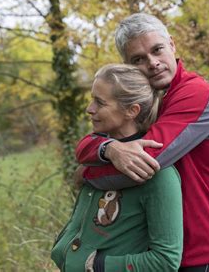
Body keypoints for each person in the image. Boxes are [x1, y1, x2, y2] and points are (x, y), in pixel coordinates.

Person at [76, 13, 209, 271]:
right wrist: (109, 148)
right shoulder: (140, 104)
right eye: (138, 59)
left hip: (198, 254)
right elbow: (87, 143)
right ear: (127, 66)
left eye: (157, 50)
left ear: (172, 45)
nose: (153, 63)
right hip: (147, 253)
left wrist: (87, 172)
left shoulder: (196, 93)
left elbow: (145, 163)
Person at [51, 64, 183, 271]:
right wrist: (63, 248)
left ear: (132, 110)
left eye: (100, 102)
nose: (89, 109)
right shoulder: (98, 158)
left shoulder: (159, 175)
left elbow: (166, 261)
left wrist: (97, 265)